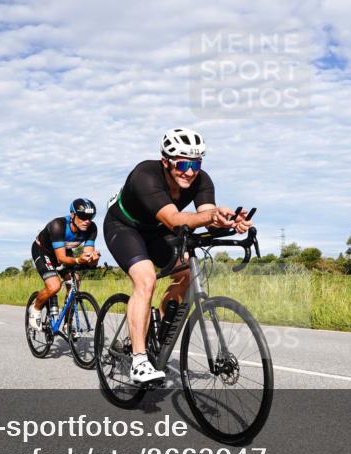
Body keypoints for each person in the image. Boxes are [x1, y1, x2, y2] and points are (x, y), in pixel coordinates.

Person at [104, 128, 251, 384]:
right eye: (183, 163)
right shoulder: (145, 175)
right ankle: (139, 360)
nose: (190, 171)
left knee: (188, 272)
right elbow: (175, 220)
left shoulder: (201, 180)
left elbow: (206, 215)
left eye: (196, 163)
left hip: (157, 232)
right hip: (124, 228)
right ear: (166, 162)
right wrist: (210, 216)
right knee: (146, 279)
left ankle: (160, 328)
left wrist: (227, 221)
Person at [28, 199, 101, 331]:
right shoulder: (58, 225)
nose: (87, 221)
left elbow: (87, 256)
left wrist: (93, 260)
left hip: (63, 250)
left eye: (91, 217)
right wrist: (79, 260)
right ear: (72, 214)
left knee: (75, 281)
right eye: (83, 217)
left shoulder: (92, 229)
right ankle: (35, 308)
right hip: (43, 250)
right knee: (54, 286)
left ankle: (67, 323)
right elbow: (61, 258)